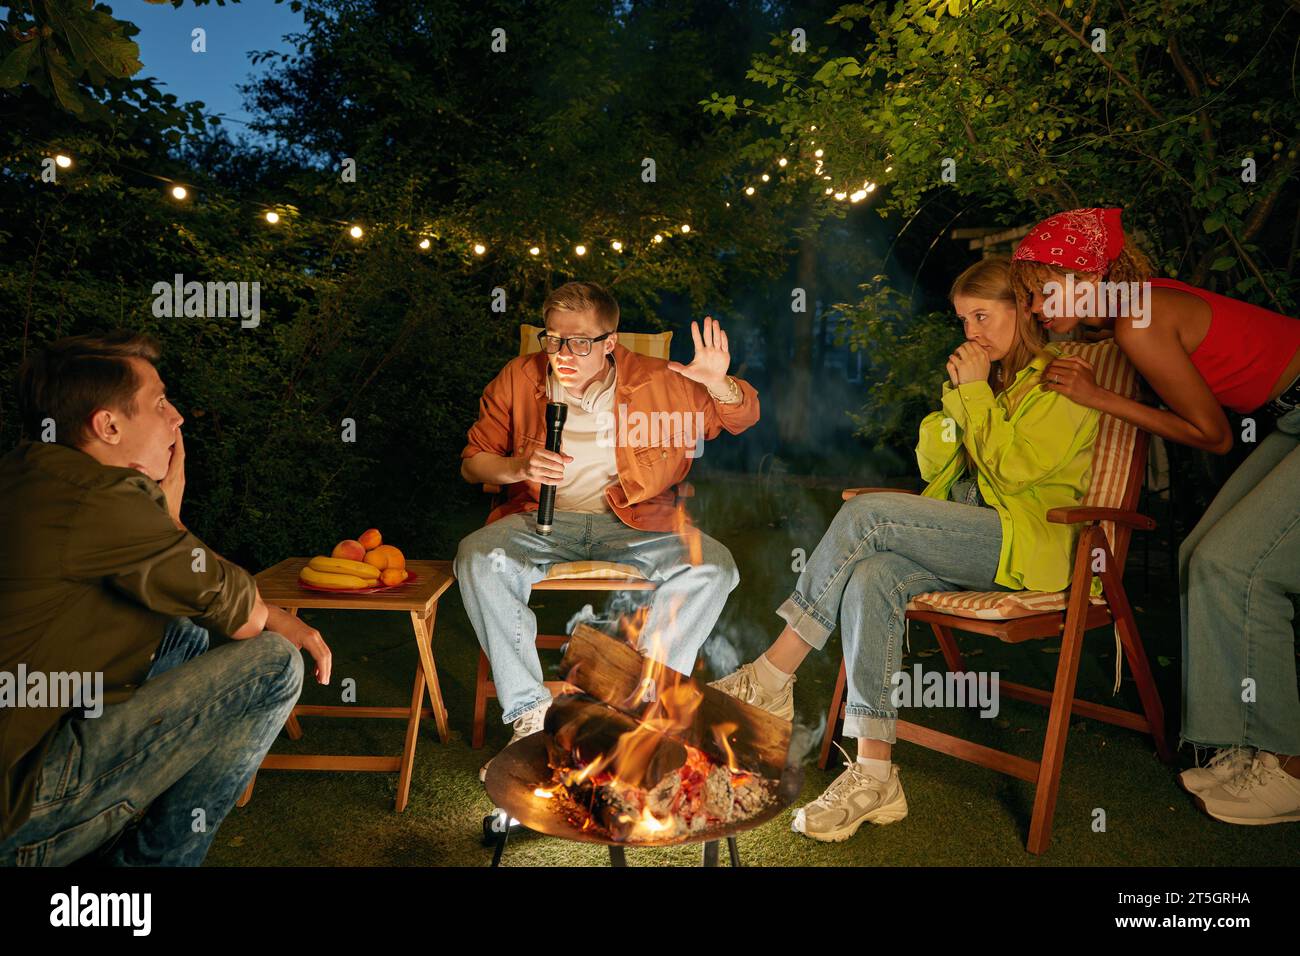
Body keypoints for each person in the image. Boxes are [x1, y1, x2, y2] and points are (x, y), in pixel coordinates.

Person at [712, 257, 1100, 842]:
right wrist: (962, 397)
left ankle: (772, 674)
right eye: (963, 319)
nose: (971, 331)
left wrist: (973, 397)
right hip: (972, 536)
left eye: (982, 315)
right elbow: (934, 467)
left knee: (866, 514)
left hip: (1029, 542)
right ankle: (875, 774)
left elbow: (1015, 472)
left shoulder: (1062, 379)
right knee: (872, 574)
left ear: (1026, 310)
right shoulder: (989, 381)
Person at [1008, 207, 1300, 825]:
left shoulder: (1138, 320)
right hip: (1290, 414)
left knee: (1236, 565)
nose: (1035, 309)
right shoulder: (1133, 309)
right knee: (1202, 554)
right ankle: (1241, 745)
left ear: (1083, 274)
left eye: (1039, 293)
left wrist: (1098, 398)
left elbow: (1214, 436)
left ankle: (1290, 766)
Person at [0, 332, 332, 866]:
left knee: (181, 633)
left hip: (34, 739)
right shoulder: (100, 496)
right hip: (20, 805)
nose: (176, 418)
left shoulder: (30, 470)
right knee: (274, 664)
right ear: (107, 425)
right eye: (159, 403)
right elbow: (243, 615)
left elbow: (188, 590)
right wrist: (172, 519)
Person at [456, 281, 759, 781]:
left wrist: (718, 385)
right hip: (539, 521)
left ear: (611, 343)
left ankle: (639, 703)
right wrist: (516, 467)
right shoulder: (518, 377)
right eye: (552, 339)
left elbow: (741, 416)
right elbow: (473, 464)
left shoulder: (663, 379)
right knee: (476, 557)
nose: (561, 353)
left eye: (578, 342)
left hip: (639, 522)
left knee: (714, 567)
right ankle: (530, 715)